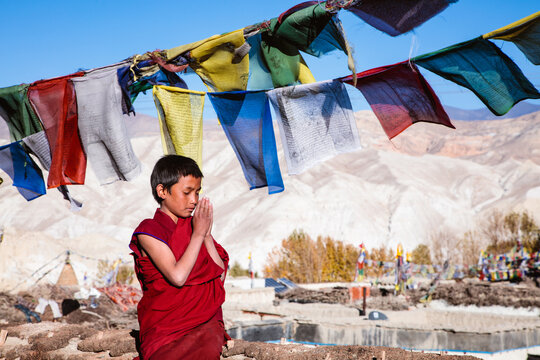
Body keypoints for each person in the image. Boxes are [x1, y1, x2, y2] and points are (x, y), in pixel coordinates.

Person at [129, 155, 229, 360]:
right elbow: (177, 276)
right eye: (187, 192)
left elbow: (218, 278)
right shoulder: (149, 230)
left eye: (197, 192)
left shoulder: (196, 227)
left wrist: (207, 236)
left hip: (204, 325)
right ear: (162, 191)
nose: (194, 200)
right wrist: (198, 235)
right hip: (165, 330)